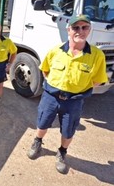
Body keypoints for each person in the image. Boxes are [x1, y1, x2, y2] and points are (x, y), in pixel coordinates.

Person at [27, 14, 108, 174]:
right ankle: (37, 141)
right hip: (51, 97)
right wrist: (55, 86)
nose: (80, 31)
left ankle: (62, 153)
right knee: (42, 122)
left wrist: (77, 88)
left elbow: (97, 80)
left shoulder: (97, 55)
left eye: (84, 27)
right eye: (76, 27)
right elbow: (45, 69)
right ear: (68, 30)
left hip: (73, 101)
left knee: (68, 130)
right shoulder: (55, 50)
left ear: (89, 30)